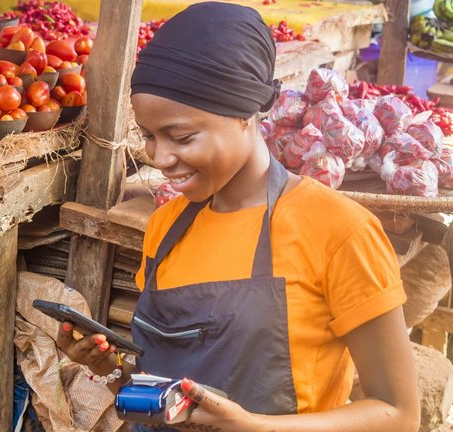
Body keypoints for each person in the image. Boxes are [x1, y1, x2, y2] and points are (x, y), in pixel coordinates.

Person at [57, 3, 420, 431]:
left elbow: (398, 414)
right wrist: (114, 371)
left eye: (181, 136)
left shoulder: (339, 230)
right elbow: (172, 394)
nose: (161, 157)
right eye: (148, 136)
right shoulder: (166, 226)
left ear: (245, 113)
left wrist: (258, 427)